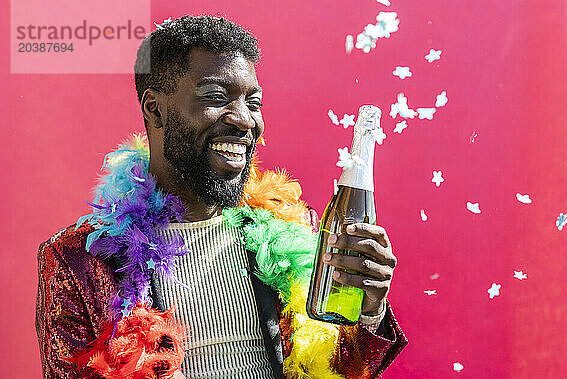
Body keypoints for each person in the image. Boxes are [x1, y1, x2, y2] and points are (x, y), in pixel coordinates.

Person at [36, 15, 407, 378]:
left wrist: (369, 311)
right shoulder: (79, 261)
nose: (245, 120)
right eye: (217, 96)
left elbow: (340, 371)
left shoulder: (294, 228)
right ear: (155, 109)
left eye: (254, 103)